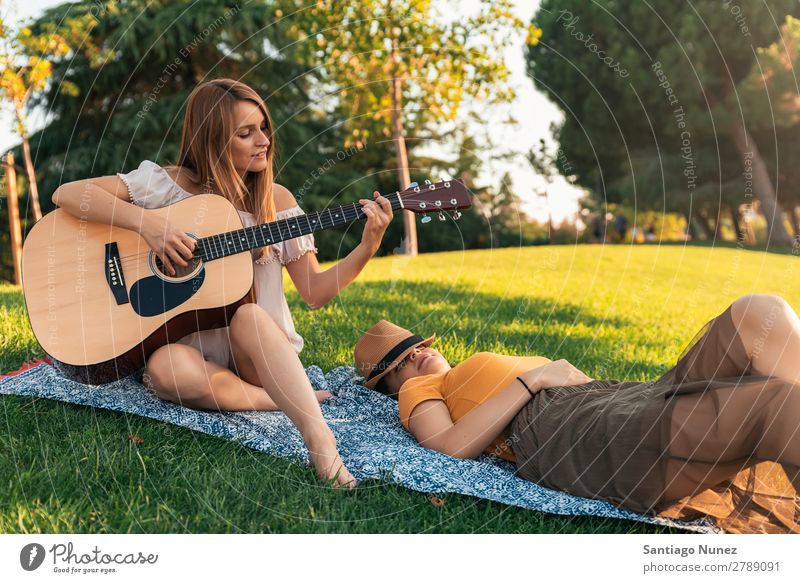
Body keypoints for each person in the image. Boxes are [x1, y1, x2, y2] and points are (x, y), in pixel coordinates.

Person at [52, 78, 394, 488]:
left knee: (247, 315)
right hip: (195, 358)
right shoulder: (167, 187)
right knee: (164, 368)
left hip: (259, 357)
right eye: (245, 133)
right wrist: (149, 226)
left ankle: (319, 439)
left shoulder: (275, 202)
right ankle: (280, 400)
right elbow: (69, 194)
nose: (263, 140)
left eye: (264, 128)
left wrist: (368, 245)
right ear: (212, 139)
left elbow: (315, 293)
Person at [353, 294, 800, 532]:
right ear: (389, 387)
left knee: (759, 312)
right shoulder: (423, 390)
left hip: (617, 399)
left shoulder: (464, 369)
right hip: (565, 430)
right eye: (399, 365)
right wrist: (534, 380)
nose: (416, 358)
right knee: (777, 404)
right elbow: (448, 448)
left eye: (418, 347)